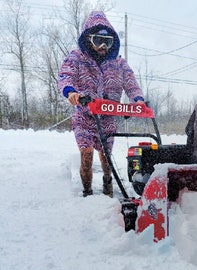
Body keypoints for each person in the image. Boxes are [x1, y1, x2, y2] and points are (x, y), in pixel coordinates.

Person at [58, 11, 144, 197]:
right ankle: (87, 191)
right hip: (85, 117)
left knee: (106, 158)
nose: (103, 46)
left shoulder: (119, 63)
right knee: (87, 155)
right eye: (98, 40)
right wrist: (70, 92)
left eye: (108, 41)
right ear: (89, 39)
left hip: (108, 118)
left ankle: (108, 182)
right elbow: (66, 76)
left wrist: (137, 101)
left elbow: (131, 84)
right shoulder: (77, 57)